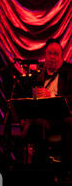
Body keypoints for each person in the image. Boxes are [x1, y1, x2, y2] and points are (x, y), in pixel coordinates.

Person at [23, 38, 72, 168]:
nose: (52, 57)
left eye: (56, 54)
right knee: (33, 122)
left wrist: (52, 96)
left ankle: (65, 168)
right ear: (45, 55)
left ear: (61, 56)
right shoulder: (39, 73)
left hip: (62, 116)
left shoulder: (69, 72)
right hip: (42, 115)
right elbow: (31, 95)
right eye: (49, 53)